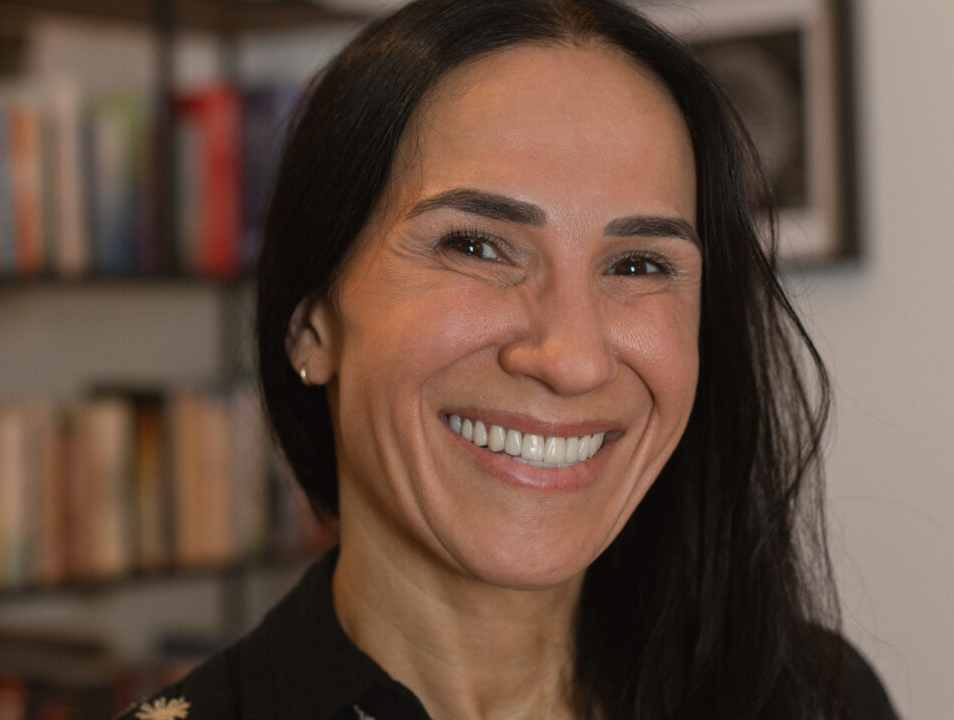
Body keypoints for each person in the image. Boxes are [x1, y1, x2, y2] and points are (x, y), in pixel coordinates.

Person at [118, 1, 900, 718]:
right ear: (310, 325)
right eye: (476, 246)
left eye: (638, 264)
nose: (571, 359)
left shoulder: (814, 697)